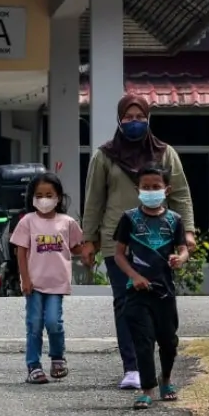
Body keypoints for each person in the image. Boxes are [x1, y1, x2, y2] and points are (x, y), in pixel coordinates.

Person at [81, 94, 196, 390]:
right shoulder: (104, 155)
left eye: (140, 117)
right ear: (120, 121)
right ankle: (131, 366)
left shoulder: (164, 153)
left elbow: (180, 193)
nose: (135, 123)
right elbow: (94, 199)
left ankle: (160, 366)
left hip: (158, 241)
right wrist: (88, 239)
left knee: (159, 304)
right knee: (126, 303)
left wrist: (188, 232)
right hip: (117, 241)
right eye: (129, 118)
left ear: (148, 118)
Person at [112, 162, 190, 410]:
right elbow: (119, 254)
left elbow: (183, 249)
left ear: (166, 190)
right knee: (143, 340)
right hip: (137, 293)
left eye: (156, 186)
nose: (151, 191)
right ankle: (146, 389)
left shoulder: (174, 220)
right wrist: (134, 276)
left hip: (164, 291)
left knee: (168, 341)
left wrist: (180, 258)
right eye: (146, 187)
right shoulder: (129, 219)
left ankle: (166, 379)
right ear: (138, 189)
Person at [9, 172, 83, 384]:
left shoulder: (67, 222)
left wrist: (88, 251)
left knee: (53, 322)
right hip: (35, 284)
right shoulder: (27, 222)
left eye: (48, 194)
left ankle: (57, 358)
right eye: (39, 195)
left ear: (58, 196)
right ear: (32, 197)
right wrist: (25, 279)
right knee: (34, 324)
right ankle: (33, 365)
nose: (44, 199)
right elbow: (21, 252)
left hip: (57, 284)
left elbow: (76, 246)